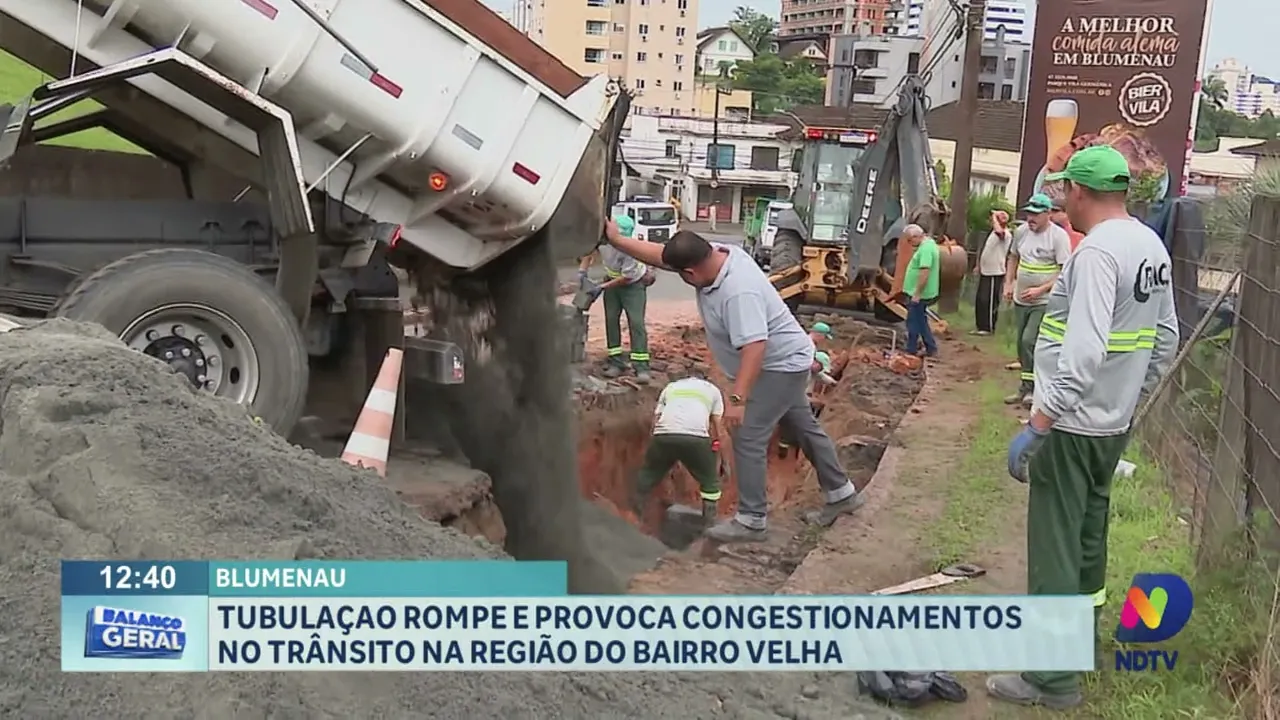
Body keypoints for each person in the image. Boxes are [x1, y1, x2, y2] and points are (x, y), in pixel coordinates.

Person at [991, 145, 1178, 710]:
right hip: (1111, 423)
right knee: (1089, 539)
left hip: (1072, 427)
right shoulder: (1150, 245)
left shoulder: (1095, 252)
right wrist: (1128, 401)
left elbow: (1083, 354)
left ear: (1077, 191)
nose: (1060, 201)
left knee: (1055, 545)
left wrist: (1040, 423)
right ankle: (1081, 646)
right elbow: (1165, 339)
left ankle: (1050, 678)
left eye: (1063, 190)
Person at [601, 225, 865, 542]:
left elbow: (755, 346)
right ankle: (841, 493)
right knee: (804, 427)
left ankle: (751, 520)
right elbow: (661, 255)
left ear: (690, 272)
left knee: (748, 435)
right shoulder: (715, 254)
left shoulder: (739, 293)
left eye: (681, 275)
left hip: (778, 366)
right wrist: (617, 239)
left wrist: (738, 400)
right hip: (787, 359)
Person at [1003, 193, 1072, 407]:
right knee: (1020, 344)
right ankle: (1025, 387)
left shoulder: (1058, 237)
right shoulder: (1021, 232)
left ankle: (1035, 389)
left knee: (1029, 340)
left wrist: (1040, 289)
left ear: (1048, 214)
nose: (1030, 218)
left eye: (1035, 214)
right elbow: (1013, 257)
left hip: (1044, 299)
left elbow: (1064, 271)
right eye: (1028, 214)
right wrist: (1009, 283)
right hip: (1021, 298)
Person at [632, 371, 726, 526]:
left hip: (663, 436)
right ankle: (709, 524)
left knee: (649, 473)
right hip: (696, 439)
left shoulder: (671, 387)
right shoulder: (712, 390)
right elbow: (718, 427)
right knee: (709, 481)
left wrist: (656, 448)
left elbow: (656, 420)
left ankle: (635, 515)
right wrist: (722, 458)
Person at [579, 215, 651, 382]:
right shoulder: (604, 240)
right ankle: (616, 362)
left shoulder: (630, 249)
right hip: (612, 281)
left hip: (633, 285)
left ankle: (641, 366)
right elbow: (589, 251)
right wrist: (582, 271)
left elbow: (626, 277)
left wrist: (600, 287)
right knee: (611, 320)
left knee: (636, 323)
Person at [901, 224, 940, 358]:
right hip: (921, 292)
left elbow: (925, 272)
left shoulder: (926, 249)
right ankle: (931, 348)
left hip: (920, 294)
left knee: (913, 322)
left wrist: (917, 293)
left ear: (916, 236)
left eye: (909, 240)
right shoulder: (928, 245)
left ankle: (911, 350)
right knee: (921, 321)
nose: (909, 243)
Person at [973, 210, 1012, 336]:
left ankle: (988, 327)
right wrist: (979, 266)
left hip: (995, 272)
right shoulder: (992, 234)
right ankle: (980, 326)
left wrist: (995, 216)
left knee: (989, 300)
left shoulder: (1005, 234)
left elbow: (999, 231)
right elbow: (987, 250)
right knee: (980, 299)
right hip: (986, 270)